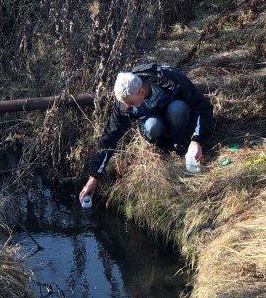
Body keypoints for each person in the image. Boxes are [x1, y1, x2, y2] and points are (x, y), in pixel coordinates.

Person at [79, 63, 213, 204]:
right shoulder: (124, 102)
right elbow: (110, 137)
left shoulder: (170, 79)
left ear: (141, 91)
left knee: (177, 109)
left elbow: (202, 107)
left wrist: (196, 139)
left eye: (130, 102)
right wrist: (94, 176)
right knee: (152, 126)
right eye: (124, 103)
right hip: (155, 123)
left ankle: (182, 144)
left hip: (178, 117)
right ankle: (166, 148)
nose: (127, 106)